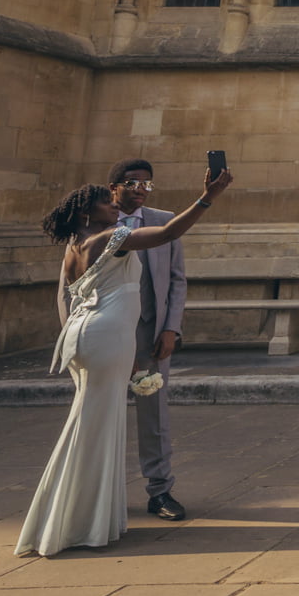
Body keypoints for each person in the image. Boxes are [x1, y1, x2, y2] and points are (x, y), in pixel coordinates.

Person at [17, 166, 232, 556]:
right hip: (107, 338)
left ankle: (87, 513)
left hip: (88, 338)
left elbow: (72, 297)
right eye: (105, 201)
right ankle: (75, 521)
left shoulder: (74, 244)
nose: (113, 206)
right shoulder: (109, 237)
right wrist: (208, 197)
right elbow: (167, 234)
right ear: (88, 212)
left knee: (93, 425)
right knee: (94, 428)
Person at [107, 157, 188, 521]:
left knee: (154, 416)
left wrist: (171, 328)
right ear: (114, 187)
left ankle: (160, 491)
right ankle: (101, 494)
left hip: (150, 333)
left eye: (147, 184)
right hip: (104, 332)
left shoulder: (163, 220)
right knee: (101, 412)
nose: (141, 189)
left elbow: (176, 279)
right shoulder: (96, 221)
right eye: (132, 183)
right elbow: (70, 286)